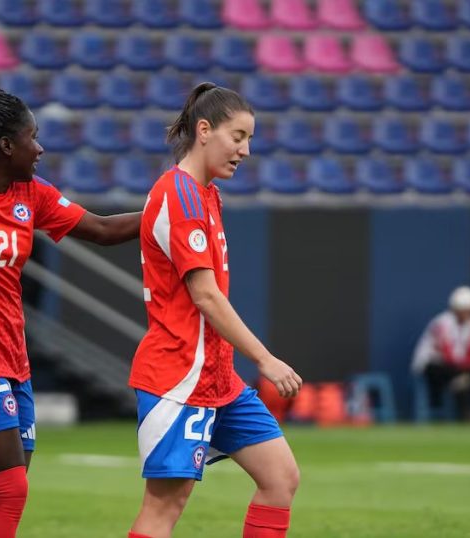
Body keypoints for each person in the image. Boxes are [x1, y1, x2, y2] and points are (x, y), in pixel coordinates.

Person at [0, 87, 141, 538]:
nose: (40, 148)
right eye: (31, 137)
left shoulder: (30, 193)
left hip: (13, 359)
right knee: (9, 489)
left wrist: (174, 205)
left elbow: (102, 229)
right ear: (5, 145)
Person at [127, 83, 302, 538]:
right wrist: (265, 359)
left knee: (281, 478)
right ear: (204, 131)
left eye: (249, 139)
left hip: (218, 379)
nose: (246, 150)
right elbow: (205, 296)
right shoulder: (180, 195)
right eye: (238, 136)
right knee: (164, 506)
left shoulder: (206, 194)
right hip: (179, 378)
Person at [411, 286, 470, 419]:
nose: (467, 314)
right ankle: (463, 412)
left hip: (454, 368)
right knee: (461, 376)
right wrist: (466, 368)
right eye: (464, 310)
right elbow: (448, 355)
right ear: (455, 309)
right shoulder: (443, 322)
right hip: (430, 365)